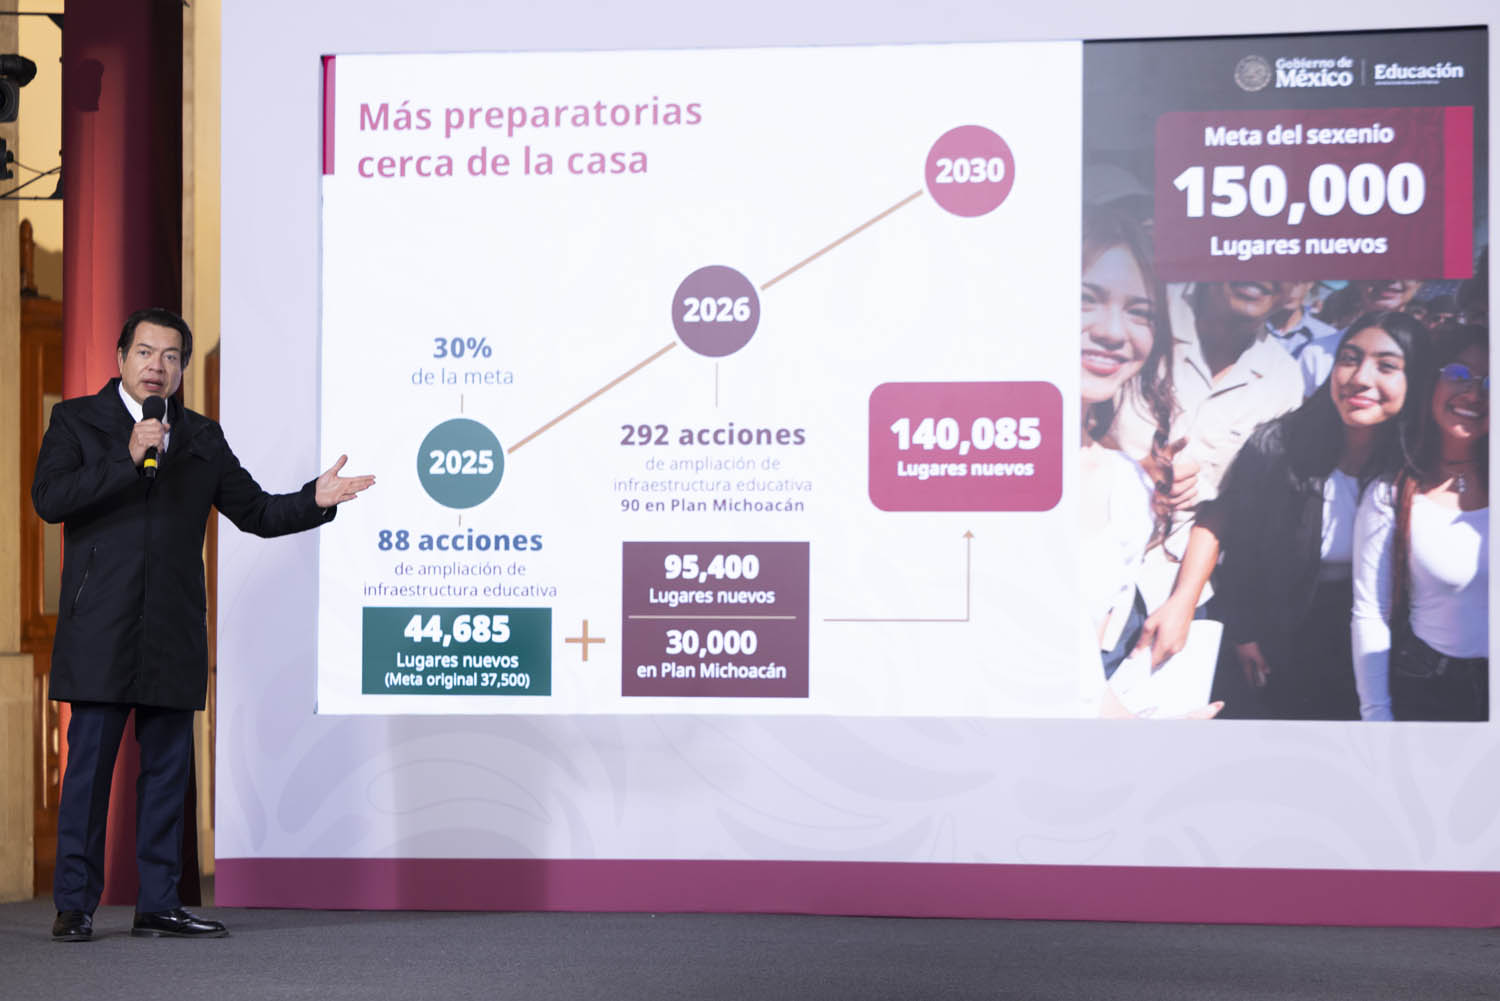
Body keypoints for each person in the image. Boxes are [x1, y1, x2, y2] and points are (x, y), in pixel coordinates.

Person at [33, 308, 375, 941]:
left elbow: (258, 512)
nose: (156, 366)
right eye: (145, 352)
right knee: (88, 776)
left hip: (172, 630)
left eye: (170, 356)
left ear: (182, 369)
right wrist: (128, 457)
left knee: (168, 776)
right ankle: (74, 906)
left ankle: (159, 904)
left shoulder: (201, 437)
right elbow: (50, 499)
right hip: (99, 628)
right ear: (120, 359)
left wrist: (314, 500)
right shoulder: (76, 421)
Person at [1141, 312, 1428, 719]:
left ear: (1414, 380)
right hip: (1282, 637)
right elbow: (1240, 547)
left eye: (1386, 366)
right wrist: (1245, 634)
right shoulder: (1279, 448)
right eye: (1349, 359)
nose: (1361, 378)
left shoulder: (1418, 466)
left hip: (1375, 647)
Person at [1113, 281, 1304, 620]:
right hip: (1084, 558)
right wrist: (1134, 478)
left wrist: (1184, 601)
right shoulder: (1142, 311)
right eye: (1246, 253)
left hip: (1167, 586)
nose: (1262, 272)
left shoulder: (1283, 379)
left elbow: (1228, 501)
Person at [1352, 326, 1488, 721]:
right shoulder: (1391, 494)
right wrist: (1377, 718)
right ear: (1431, 382)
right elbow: (1370, 613)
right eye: (1459, 374)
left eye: (1490, 382)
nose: (1474, 393)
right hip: (1432, 689)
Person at [1078, 206, 1172, 674]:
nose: (1112, 332)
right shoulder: (961, 460)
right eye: (1084, 299)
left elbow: (1083, 671)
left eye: (1140, 313)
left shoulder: (1128, 485)